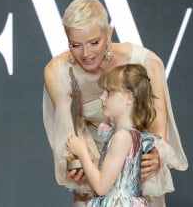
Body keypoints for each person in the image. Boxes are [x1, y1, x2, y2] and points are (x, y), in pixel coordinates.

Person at [43, 0, 188, 207]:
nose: (86, 54)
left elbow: (157, 126)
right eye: (75, 45)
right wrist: (76, 162)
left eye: (94, 42)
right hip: (92, 166)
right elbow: (70, 133)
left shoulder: (145, 63)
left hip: (137, 165)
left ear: (108, 33)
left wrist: (155, 155)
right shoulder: (58, 71)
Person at [66, 64, 161, 206]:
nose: (102, 97)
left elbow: (101, 187)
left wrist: (82, 151)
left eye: (109, 92)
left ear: (129, 98)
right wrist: (84, 165)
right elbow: (110, 176)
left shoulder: (122, 137)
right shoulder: (129, 134)